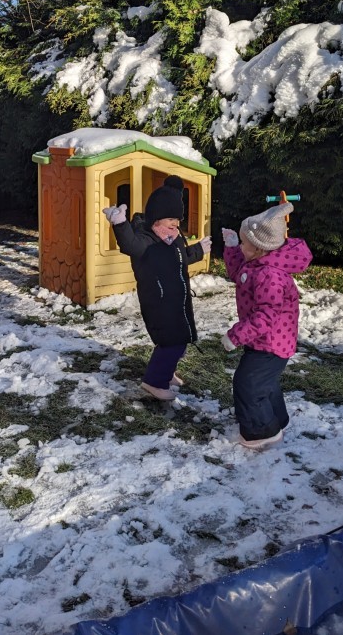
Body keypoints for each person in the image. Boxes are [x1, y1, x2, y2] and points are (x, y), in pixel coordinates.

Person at [103, 175, 212, 401]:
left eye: (177, 219)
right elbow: (129, 244)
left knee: (179, 341)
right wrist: (120, 224)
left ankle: (166, 371)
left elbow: (182, 258)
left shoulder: (173, 238)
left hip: (177, 301)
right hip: (159, 302)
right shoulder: (146, 240)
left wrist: (199, 249)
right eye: (170, 218)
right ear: (156, 218)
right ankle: (154, 381)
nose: (175, 223)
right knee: (170, 342)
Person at [221, 202, 312, 449]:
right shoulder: (257, 263)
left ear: (259, 247)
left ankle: (262, 431)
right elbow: (239, 273)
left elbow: (265, 315)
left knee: (248, 384)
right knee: (265, 382)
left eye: (244, 243)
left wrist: (236, 336)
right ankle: (277, 419)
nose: (242, 247)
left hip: (271, 343)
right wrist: (232, 247)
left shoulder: (269, 275)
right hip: (265, 340)